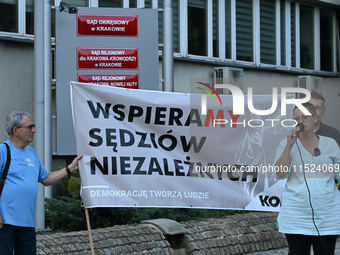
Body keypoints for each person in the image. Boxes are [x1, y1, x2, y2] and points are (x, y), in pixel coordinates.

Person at [0, 111, 83, 255]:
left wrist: (71, 168)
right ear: (16, 130)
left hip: (27, 224)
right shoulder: (3, 150)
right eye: (30, 127)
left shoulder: (31, 153)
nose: (34, 130)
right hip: (5, 223)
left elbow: (45, 178)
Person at [274, 102, 340, 255]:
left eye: (305, 117)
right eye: (297, 118)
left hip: (327, 216)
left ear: (315, 118)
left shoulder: (330, 144)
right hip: (296, 216)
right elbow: (280, 174)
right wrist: (289, 146)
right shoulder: (285, 144)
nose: (300, 121)